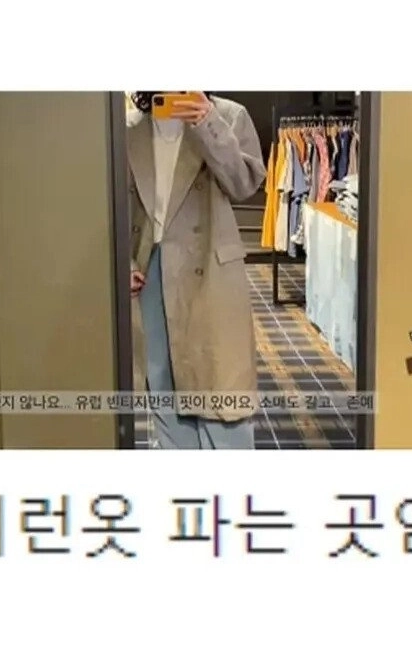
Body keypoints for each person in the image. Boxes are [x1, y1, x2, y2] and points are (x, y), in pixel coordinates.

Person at [126, 92, 266, 449]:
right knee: (164, 388)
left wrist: (207, 124)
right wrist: (122, 261)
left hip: (209, 272)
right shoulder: (129, 127)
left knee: (221, 390)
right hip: (150, 273)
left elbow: (244, 184)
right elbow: (114, 203)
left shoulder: (229, 116)